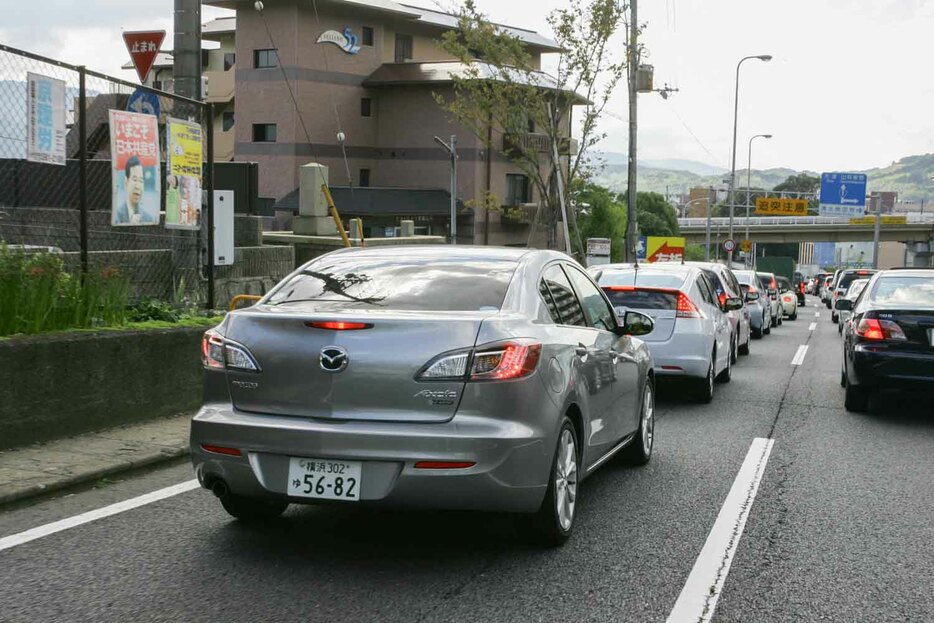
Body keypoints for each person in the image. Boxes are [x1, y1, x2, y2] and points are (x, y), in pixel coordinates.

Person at [114, 156, 156, 225]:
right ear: (126, 182)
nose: (138, 186)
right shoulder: (117, 216)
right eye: (135, 179)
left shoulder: (148, 218)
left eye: (140, 180)